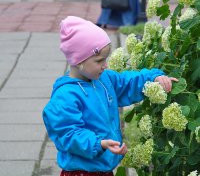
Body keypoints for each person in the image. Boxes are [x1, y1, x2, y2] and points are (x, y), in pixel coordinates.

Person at [42, 16, 178, 176]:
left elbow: (128, 82)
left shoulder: (103, 79)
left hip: (104, 167)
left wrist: (153, 78)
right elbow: (68, 133)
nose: (105, 65)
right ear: (79, 61)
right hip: (81, 171)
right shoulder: (65, 96)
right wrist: (98, 143)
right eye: (99, 60)